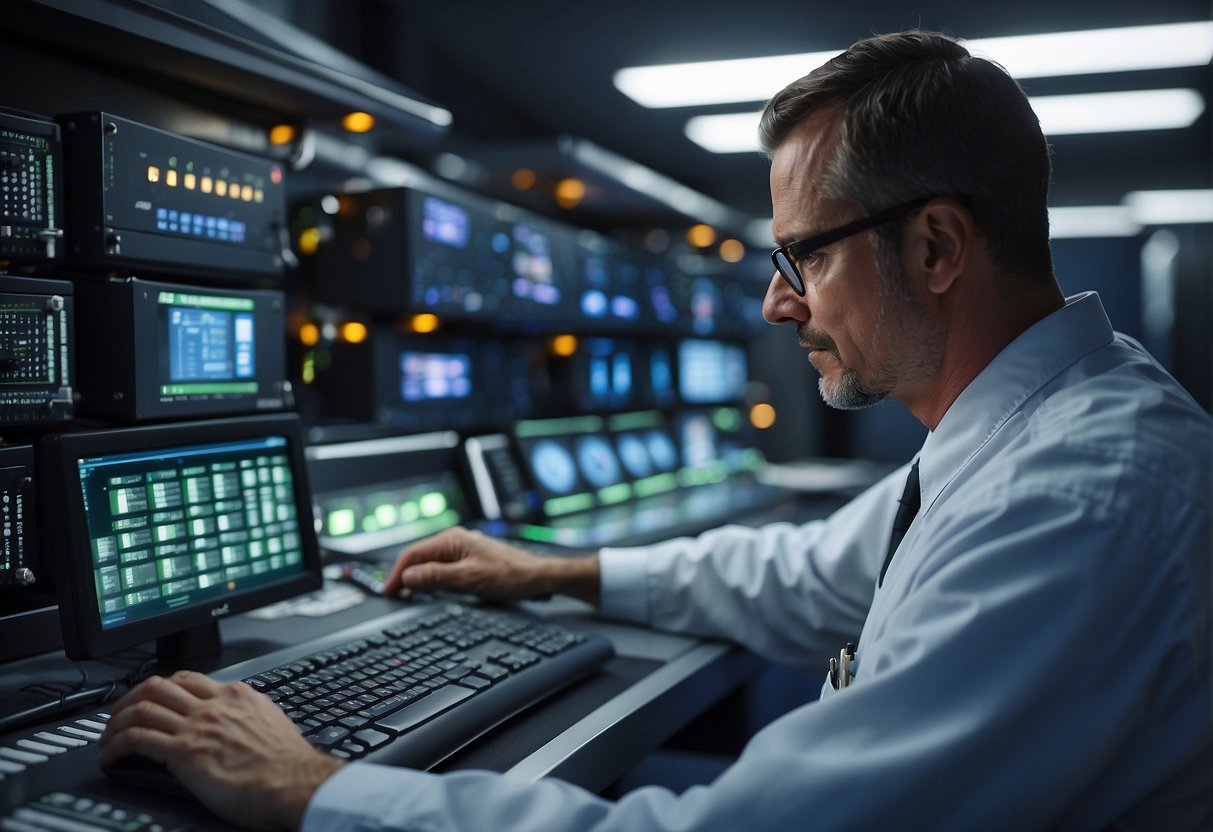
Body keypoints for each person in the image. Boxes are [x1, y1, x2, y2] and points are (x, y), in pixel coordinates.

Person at [99, 29, 1212, 830]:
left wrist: (316, 789)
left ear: (933, 249)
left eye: (804, 256)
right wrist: (552, 570)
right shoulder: (1033, 432)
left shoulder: (1072, 498)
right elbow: (803, 569)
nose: (779, 304)